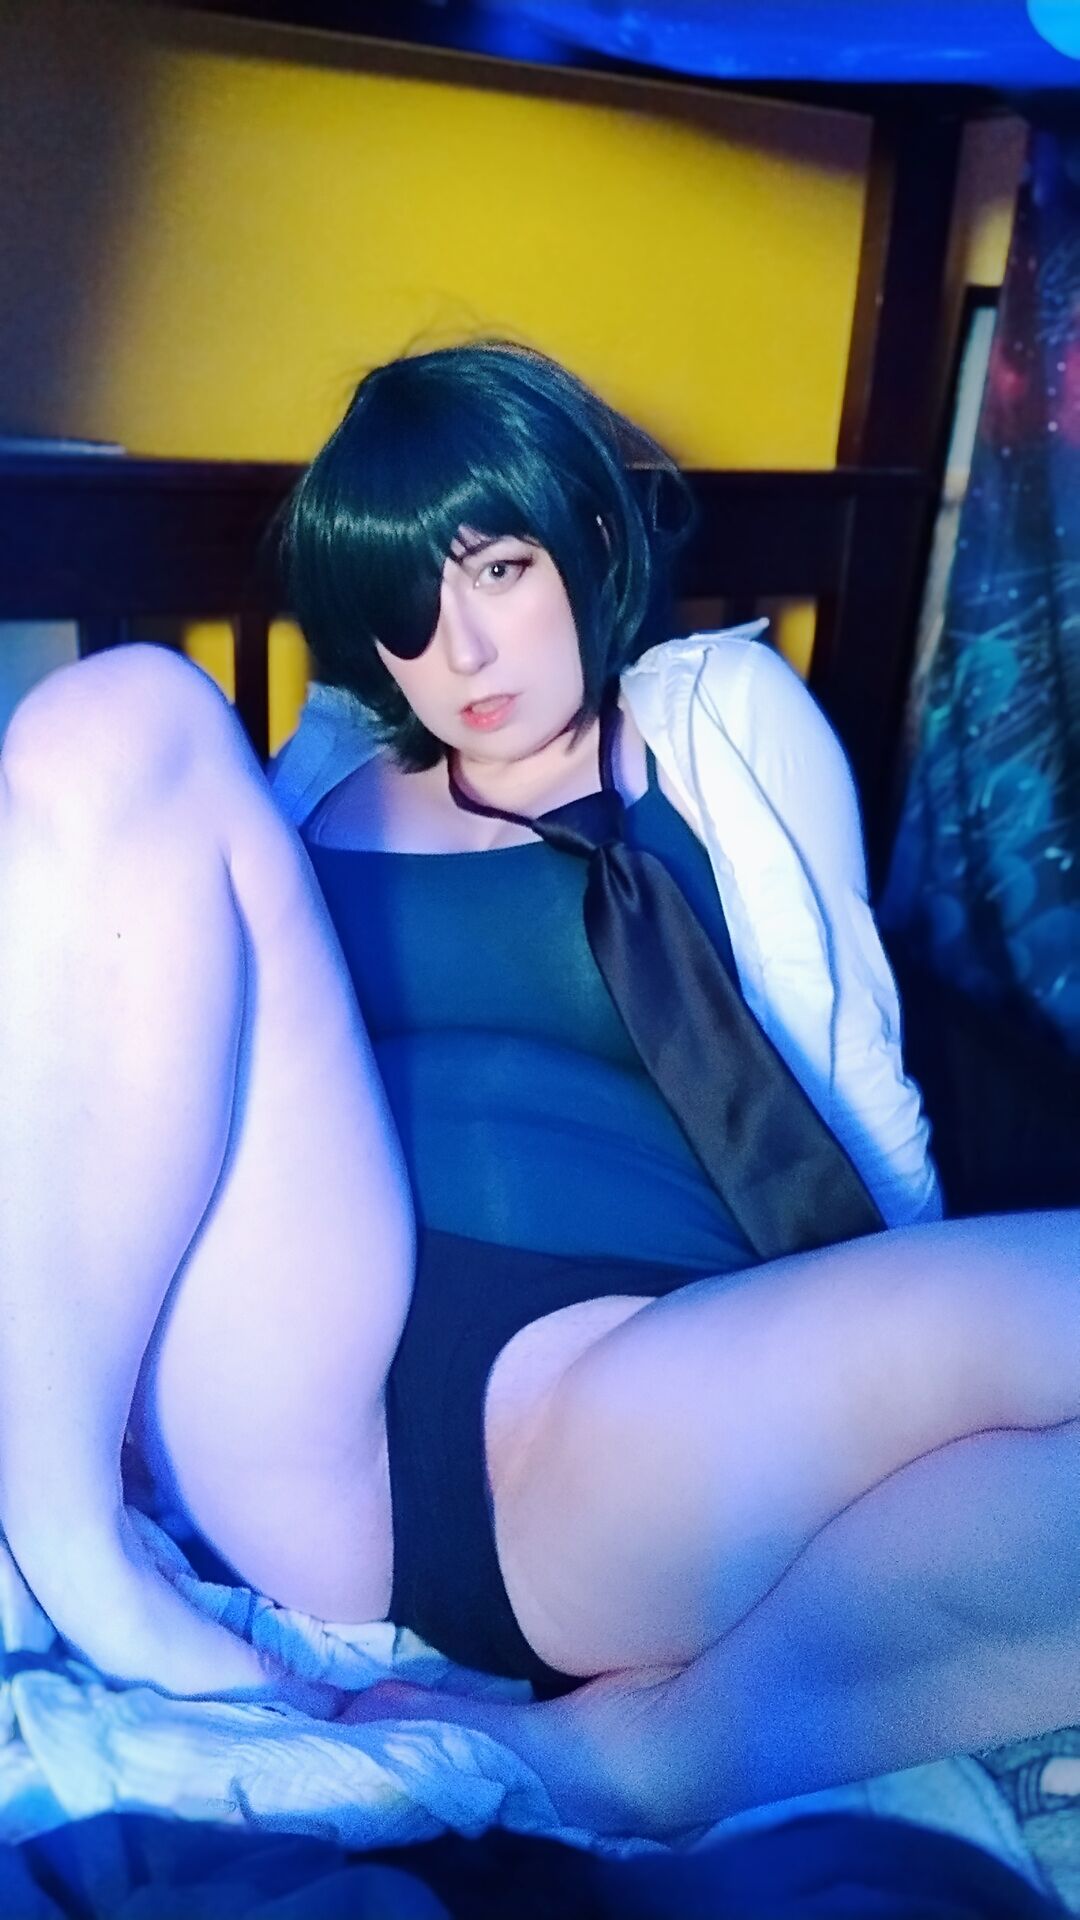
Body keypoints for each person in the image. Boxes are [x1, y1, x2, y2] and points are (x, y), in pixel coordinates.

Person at [0, 341, 1077, 1842]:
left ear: (587, 536)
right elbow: (112, 1058)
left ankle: (655, 1749)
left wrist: (906, 1384)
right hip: (305, 1388)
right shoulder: (305, 791)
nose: (463, 654)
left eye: (499, 570)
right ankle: (71, 1553)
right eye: (408, 609)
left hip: (627, 1404)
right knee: (119, 708)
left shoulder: (719, 721)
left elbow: (857, 1081)